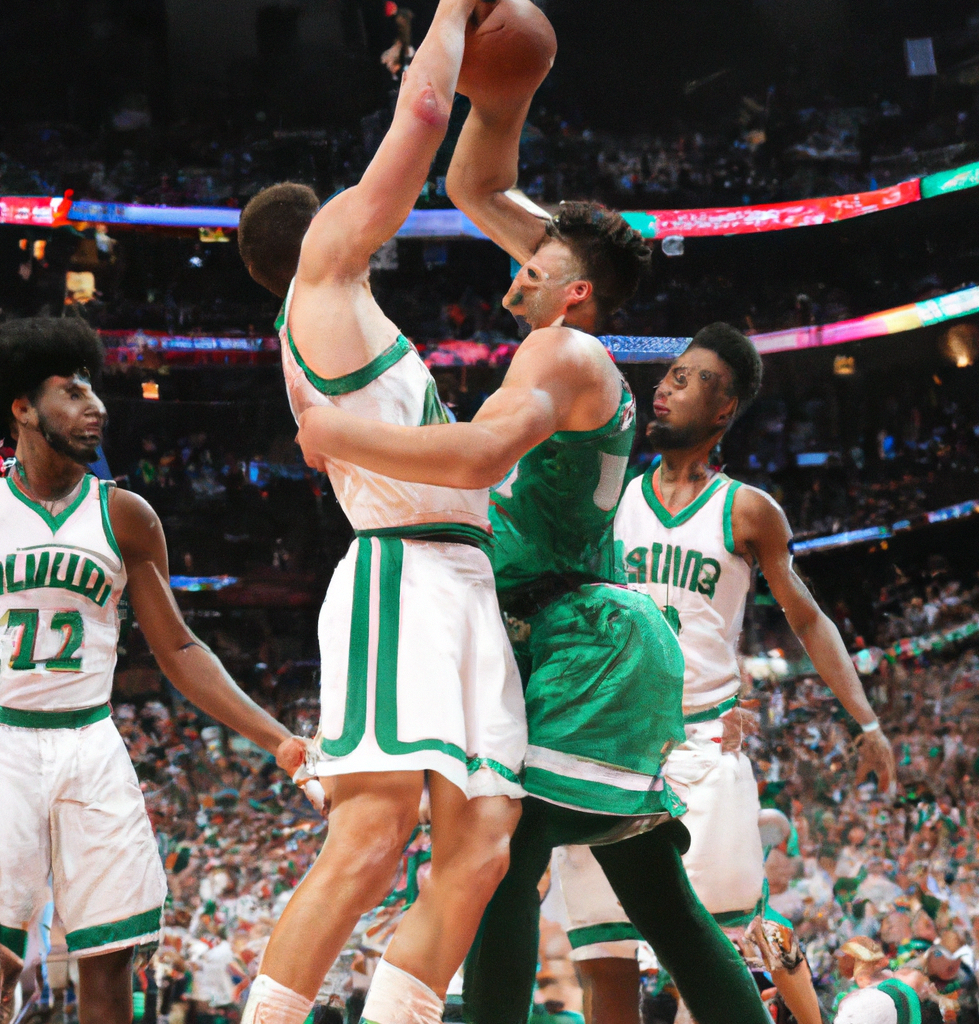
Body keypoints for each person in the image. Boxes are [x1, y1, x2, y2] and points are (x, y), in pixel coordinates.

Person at [295, 7, 771, 1021]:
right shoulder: (570, 317)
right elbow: (475, 186)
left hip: (581, 637)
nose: (515, 263)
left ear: (574, 293)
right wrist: (504, 87)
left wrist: (337, 437)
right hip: (589, 636)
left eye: (535, 263)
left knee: (493, 855)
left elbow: (472, 456)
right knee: (657, 902)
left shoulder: (560, 352)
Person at [236, 2, 528, 1022]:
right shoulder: (324, 276)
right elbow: (421, 115)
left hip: (463, 577)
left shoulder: (353, 312)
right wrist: (452, 10)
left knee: (485, 840)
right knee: (369, 835)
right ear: (314, 228)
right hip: (401, 571)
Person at [553, 322, 897, 1024]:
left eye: (686, 378)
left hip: (700, 749)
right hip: (605, 747)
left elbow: (808, 620)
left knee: (709, 957)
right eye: (666, 377)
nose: (664, 388)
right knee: (607, 974)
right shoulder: (608, 495)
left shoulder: (747, 510)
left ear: (723, 409)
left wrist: (866, 720)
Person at [0, 317, 307, 1024]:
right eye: (72, 393)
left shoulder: (126, 516)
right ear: (22, 408)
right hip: (7, 741)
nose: (95, 408)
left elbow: (179, 650)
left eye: (95, 394)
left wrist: (278, 741)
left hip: (89, 744)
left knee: (108, 970)